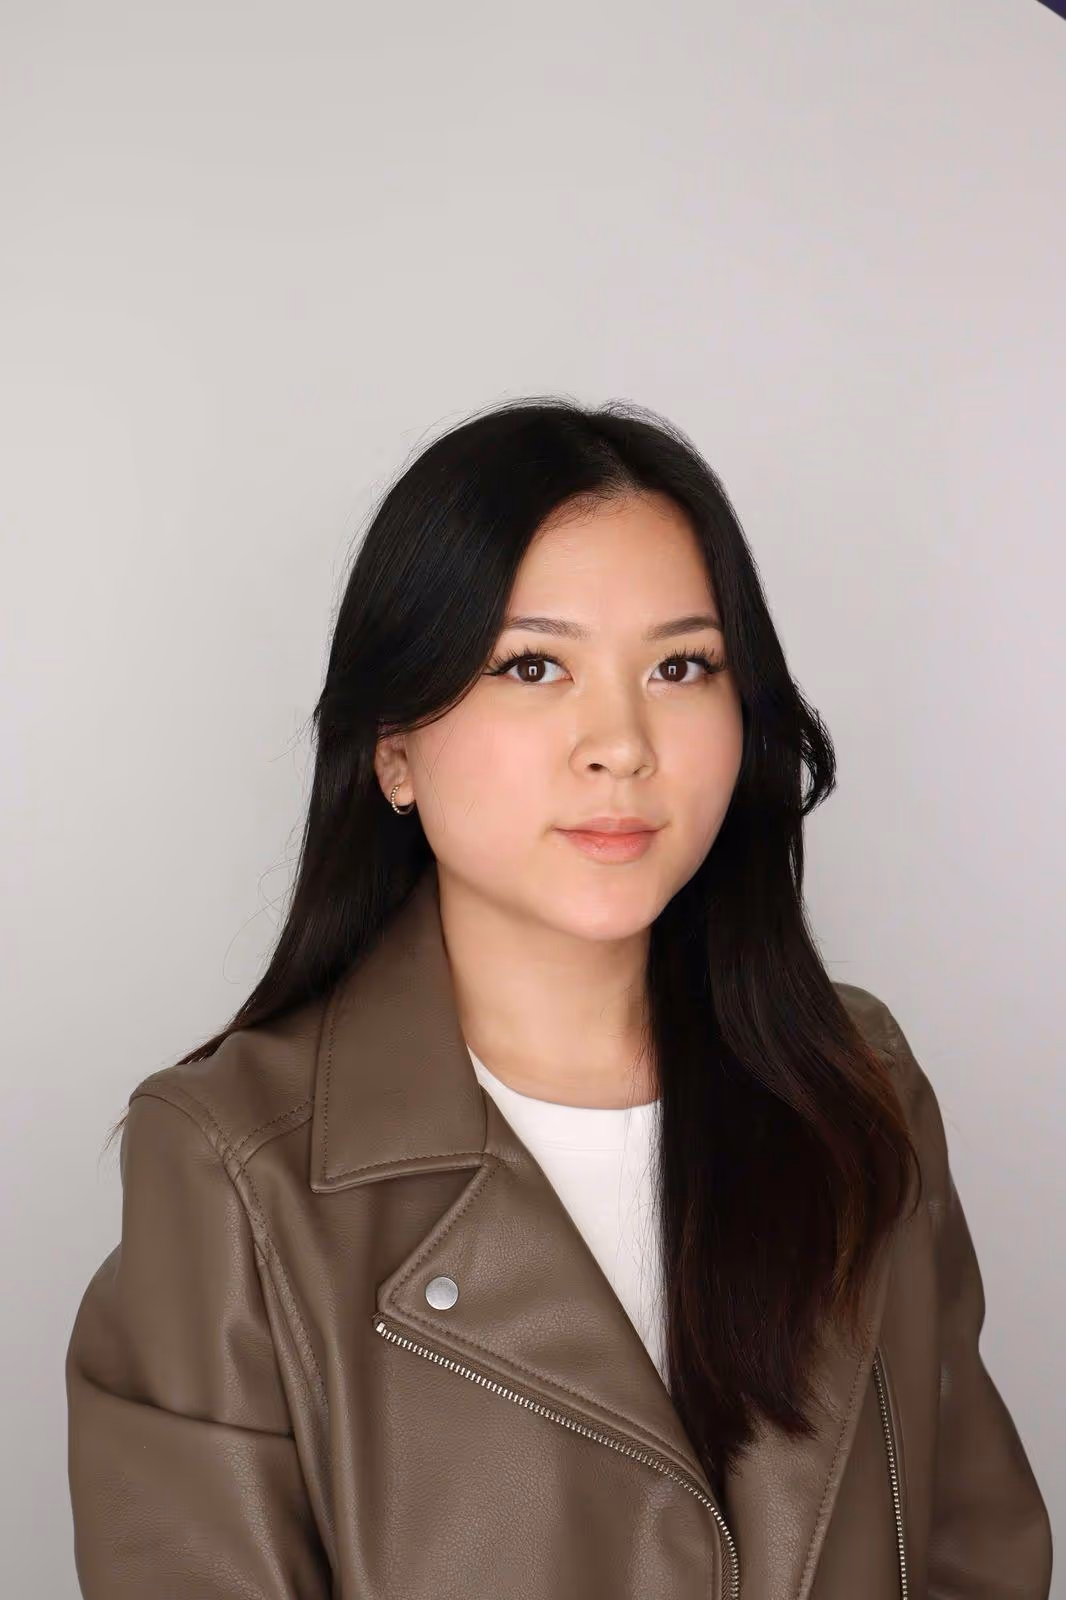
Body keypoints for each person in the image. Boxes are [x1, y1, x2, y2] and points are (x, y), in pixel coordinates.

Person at [65, 397, 1052, 1599]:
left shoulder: (857, 1084)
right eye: (533, 665)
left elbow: (976, 1553)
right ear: (392, 748)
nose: (621, 742)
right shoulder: (231, 1166)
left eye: (679, 666)